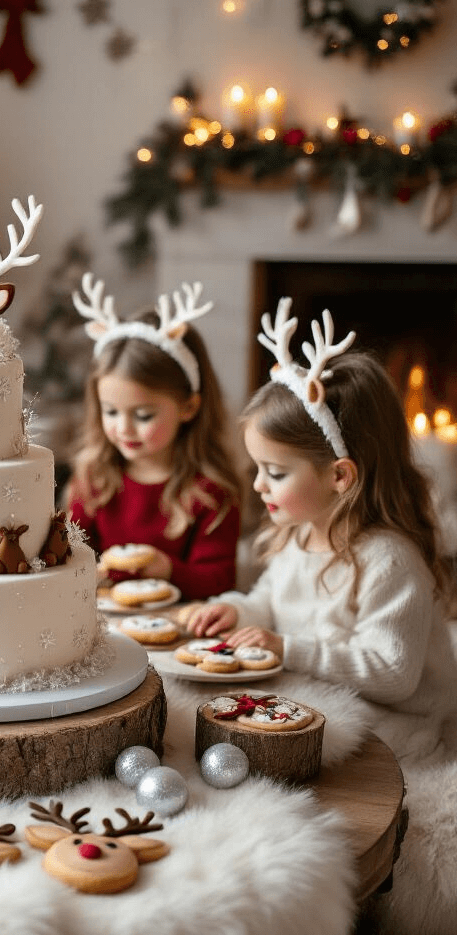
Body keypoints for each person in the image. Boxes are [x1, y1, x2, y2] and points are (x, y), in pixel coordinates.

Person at [188, 298, 457, 761]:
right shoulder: (300, 532)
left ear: (339, 476)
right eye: (258, 468)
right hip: (325, 691)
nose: (257, 484)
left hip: (397, 721)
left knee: (290, 744)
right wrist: (235, 612)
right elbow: (268, 603)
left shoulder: (389, 559)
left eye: (275, 472)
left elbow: (393, 675)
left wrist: (287, 649)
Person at [66, 276, 241, 600]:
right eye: (111, 412)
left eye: (143, 415)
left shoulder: (211, 491)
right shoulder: (94, 477)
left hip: (179, 627)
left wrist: (169, 569)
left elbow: (220, 581)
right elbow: (69, 555)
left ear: (188, 407)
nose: (124, 428)